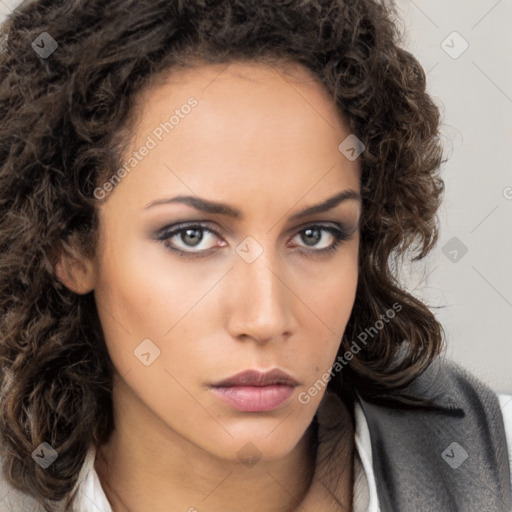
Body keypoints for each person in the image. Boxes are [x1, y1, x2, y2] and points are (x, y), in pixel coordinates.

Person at [0, 0, 510, 511]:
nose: (266, 319)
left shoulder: (493, 462)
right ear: (69, 245)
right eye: (193, 236)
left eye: (315, 235)